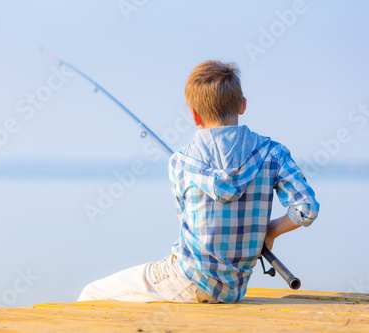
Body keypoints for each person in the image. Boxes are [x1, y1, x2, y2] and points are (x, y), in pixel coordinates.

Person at [77, 60, 319, 303]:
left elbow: (187, 224)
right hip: (234, 288)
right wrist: (270, 232)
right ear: (242, 104)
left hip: (186, 279)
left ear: (194, 114)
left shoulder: (180, 162)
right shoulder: (273, 153)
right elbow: (306, 209)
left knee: (91, 293)